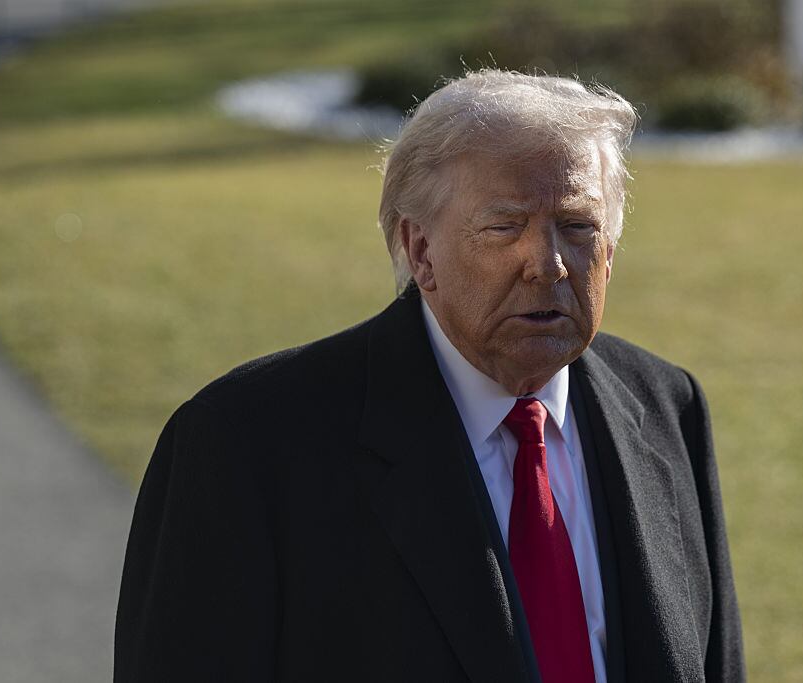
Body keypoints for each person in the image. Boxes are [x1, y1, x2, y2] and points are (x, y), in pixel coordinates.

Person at [115, 70, 745, 682]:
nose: (547, 264)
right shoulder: (244, 443)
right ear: (419, 251)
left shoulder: (668, 407)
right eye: (505, 227)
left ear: (608, 250)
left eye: (578, 227)